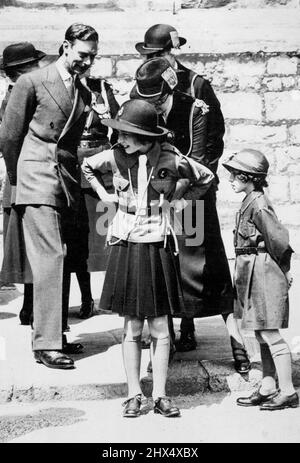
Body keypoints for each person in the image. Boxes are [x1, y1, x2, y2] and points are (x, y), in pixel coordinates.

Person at [82, 99, 214, 417]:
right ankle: (133, 394)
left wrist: (179, 201)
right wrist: (105, 195)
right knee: (131, 326)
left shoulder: (170, 158)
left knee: (160, 326)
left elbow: (206, 177)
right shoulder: (113, 156)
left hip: (158, 246)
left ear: (145, 137)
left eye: (127, 134)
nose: (120, 139)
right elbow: (86, 166)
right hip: (127, 246)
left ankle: (161, 395)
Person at [130, 57, 250, 374]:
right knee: (164, 265)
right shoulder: (139, 101)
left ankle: (236, 339)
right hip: (159, 194)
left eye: (157, 102)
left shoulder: (196, 109)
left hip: (193, 197)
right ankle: (164, 341)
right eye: (146, 101)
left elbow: (198, 162)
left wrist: (174, 192)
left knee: (204, 264)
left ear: (169, 91)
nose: (152, 109)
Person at [0, 23, 99, 369]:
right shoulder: (32, 81)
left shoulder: (83, 92)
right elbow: (10, 136)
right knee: (51, 257)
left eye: (93, 57)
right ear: (66, 47)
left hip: (65, 181)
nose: (87, 62)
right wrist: (19, 178)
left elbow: (70, 144)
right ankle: (45, 344)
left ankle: (55, 333)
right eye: (83, 55)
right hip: (35, 177)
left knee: (66, 255)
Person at [223, 149, 299, 410]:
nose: (231, 179)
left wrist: (286, 270)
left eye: (235, 175)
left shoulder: (258, 203)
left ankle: (288, 391)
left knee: (269, 331)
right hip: (251, 269)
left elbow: (278, 239)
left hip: (264, 270)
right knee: (260, 329)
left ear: (249, 177)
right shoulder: (249, 200)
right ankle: (268, 386)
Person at [0, 42, 45, 304]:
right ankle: (30, 306)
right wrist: (17, 181)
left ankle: (30, 306)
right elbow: (8, 141)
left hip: (23, 180)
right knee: (30, 247)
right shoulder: (18, 96)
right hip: (24, 180)